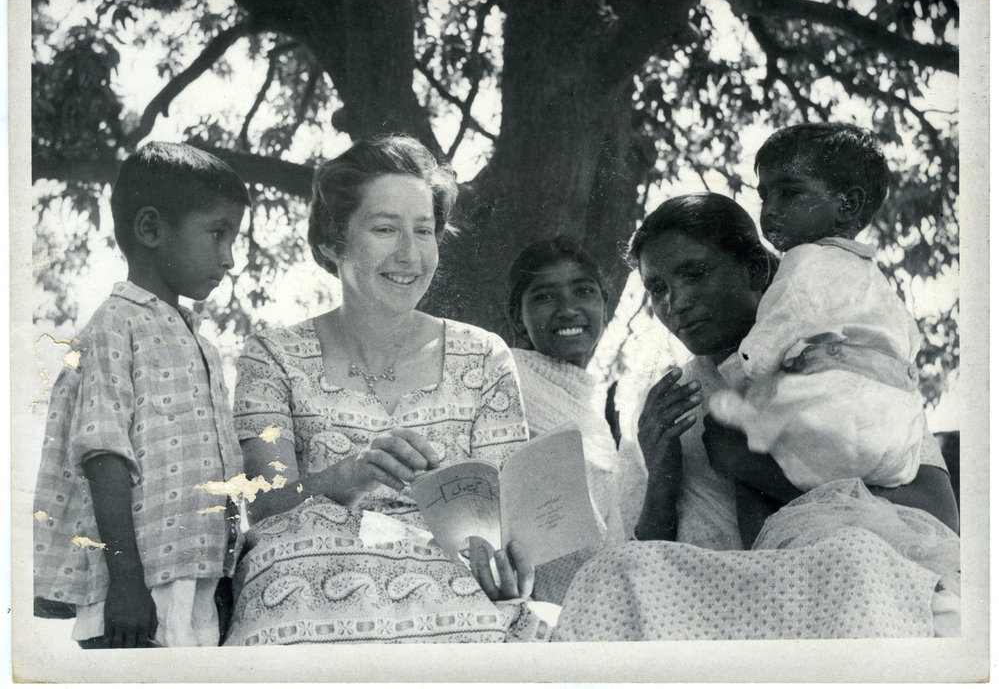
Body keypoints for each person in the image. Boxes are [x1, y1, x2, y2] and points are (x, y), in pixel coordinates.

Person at [552, 192, 960, 641]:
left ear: (755, 269)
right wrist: (662, 471)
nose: (676, 302)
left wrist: (753, 467)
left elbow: (937, 514)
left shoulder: (836, 361)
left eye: (694, 274)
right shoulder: (670, 401)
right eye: (658, 288)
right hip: (706, 616)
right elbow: (640, 564)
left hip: (838, 602)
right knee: (609, 572)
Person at [224, 134, 542, 646]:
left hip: (450, 597)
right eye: (385, 228)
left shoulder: (484, 356)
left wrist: (510, 564)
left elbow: (508, 524)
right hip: (305, 587)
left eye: (424, 230)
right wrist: (349, 475)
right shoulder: (273, 355)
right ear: (332, 242)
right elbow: (265, 507)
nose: (409, 253)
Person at [33, 142, 250, 648]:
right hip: (139, 586)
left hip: (200, 578)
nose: (229, 258)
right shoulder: (117, 323)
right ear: (150, 229)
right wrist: (126, 583)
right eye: (217, 233)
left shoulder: (203, 344)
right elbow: (103, 452)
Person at [708, 123, 926, 544]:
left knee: (743, 409)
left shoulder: (804, 260)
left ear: (847, 205)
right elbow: (907, 341)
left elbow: (775, 329)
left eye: (789, 193)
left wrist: (741, 371)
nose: (770, 210)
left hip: (834, 424)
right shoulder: (872, 276)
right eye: (765, 196)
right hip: (895, 440)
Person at [505, 236, 646, 603]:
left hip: (601, 590)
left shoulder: (590, 405)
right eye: (545, 297)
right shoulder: (509, 380)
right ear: (518, 318)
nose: (568, 309)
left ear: (605, 305)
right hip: (544, 597)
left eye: (583, 291)